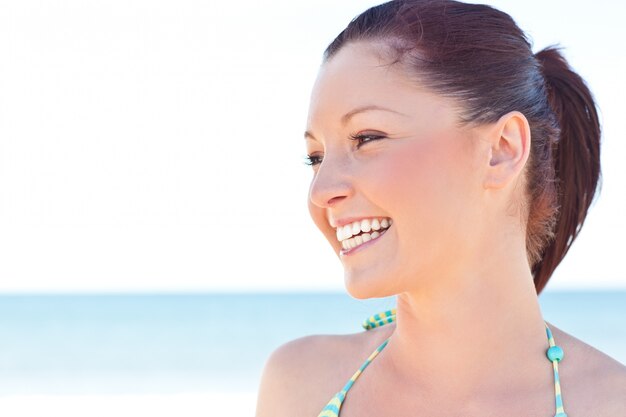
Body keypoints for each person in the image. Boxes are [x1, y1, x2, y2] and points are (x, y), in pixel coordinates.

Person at [255, 1, 626, 416]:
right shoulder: (299, 386)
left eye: (367, 137)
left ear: (501, 150)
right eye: (316, 157)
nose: (321, 190)